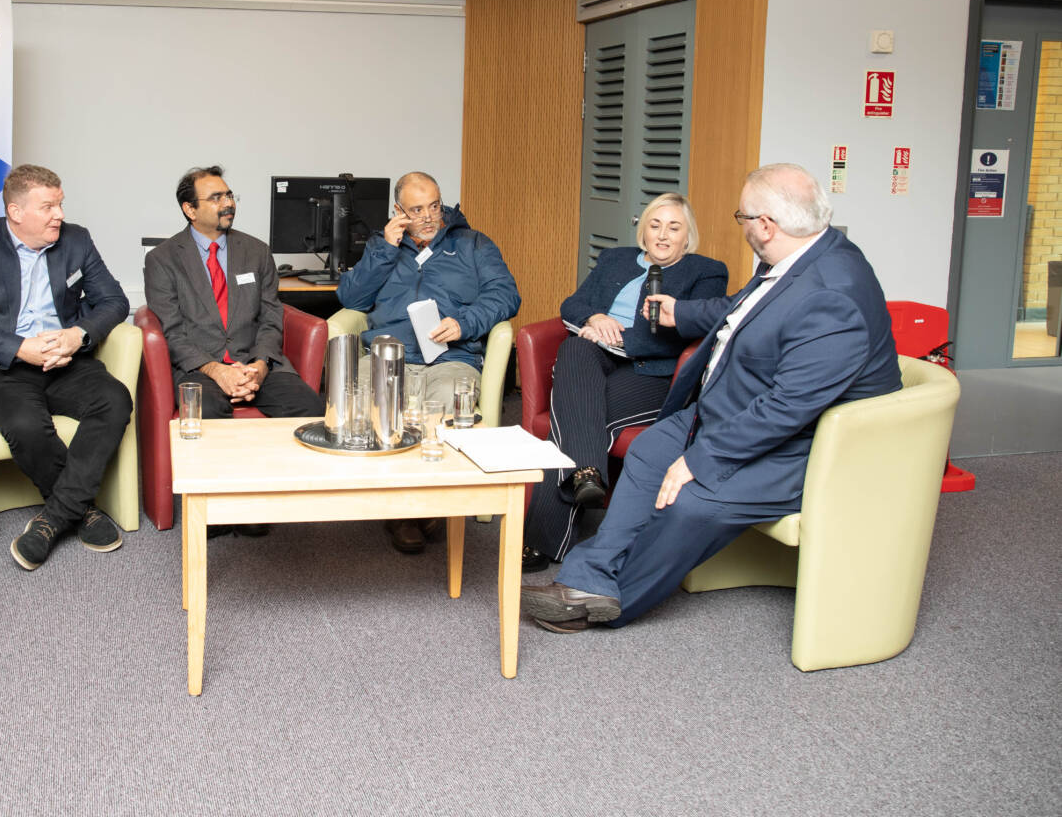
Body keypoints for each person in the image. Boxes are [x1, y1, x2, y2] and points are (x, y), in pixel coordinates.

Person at [521, 164, 901, 632]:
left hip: (804, 445)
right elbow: (743, 307)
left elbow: (788, 408)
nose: (741, 226)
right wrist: (680, 313)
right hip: (728, 409)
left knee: (693, 502)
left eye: (742, 217)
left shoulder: (833, 294)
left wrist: (701, 458)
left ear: (766, 225)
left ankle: (612, 598)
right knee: (648, 451)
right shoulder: (798, 256)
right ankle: (587, 576)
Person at [0, 164, 132, 571]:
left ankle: (54, 518)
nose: (60, 214)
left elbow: (115, 301)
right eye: (48, 207)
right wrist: (18, 348)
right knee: (25, 425)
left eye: (60, 204)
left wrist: (77, 335)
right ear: (16, 212)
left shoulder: (76, 240)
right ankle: (81, 510)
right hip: (6, 368)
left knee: (114, 400)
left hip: (67, 361)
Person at [521, 193, 727, 573]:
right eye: (655, 225)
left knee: (577, 415)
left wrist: (620, 339)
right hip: (595, 355)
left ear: (687, 236)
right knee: (574, 349)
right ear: (643, 230)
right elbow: (572, 305)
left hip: (653, 371)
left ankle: (542, 539)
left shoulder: (706, 271)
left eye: (674, 228)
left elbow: (696, 331)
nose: (662, 235)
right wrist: (596, 318)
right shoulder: (614, 259)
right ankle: (587, 472)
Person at [336, 170, 521, 554]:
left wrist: (465, 323)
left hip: (451, 356)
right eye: (417, 209)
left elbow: (505, 295)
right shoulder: (383, 245)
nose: (428, 217)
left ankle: (422, 506)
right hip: (391, 353)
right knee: (373, 404)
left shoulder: (473, 244)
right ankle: (407, 510)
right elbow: (351, 298)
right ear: (398, 210)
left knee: (443, 410)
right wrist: (385, 250)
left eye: (434, 206)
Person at [144, 166, 324, 537]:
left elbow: (272, 318)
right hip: (199, 367)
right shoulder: (163, 259)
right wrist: (217, 370)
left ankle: (267, 498)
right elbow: (172, 332)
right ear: (190, 209)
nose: (228, 203)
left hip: (256, 360)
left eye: (229, 195)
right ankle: (217, 508)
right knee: (208, 411)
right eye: (216, 198)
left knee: (309, 406)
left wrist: (259, 365)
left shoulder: (256, 251)